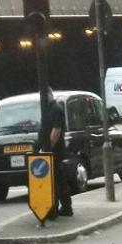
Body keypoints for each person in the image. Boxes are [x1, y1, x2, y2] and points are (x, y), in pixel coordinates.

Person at [39, 88, 73, 218]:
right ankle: (62, 208)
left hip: (55, 152)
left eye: (43, 95)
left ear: (49, 95)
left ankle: (61, 208)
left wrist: (48, 148)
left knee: (57, 181)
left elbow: (57, 130)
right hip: (53, 151)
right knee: (57, 180)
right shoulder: (49, 109)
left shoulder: (55, 109)